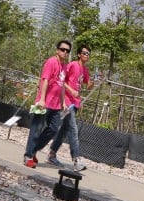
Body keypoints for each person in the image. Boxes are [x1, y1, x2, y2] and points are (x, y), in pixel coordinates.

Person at [22, 40, 71, 168]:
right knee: (36, 129)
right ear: (57, 50)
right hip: (44, 102)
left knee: (54, 129)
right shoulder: (51, 62)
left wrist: (63, 102)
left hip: (56, 105)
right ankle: (28, 156)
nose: (65, 52)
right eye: (62, 49)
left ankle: (33, 151)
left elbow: (61, 86)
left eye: (67, 51)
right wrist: (42, 99)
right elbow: (45, 80)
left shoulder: (65, 66)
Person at [46, 43, 92, 171]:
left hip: (76, 103)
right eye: (84, 53)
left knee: (63, 130)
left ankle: (51, 155)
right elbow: (61, 81)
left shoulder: (85, 70)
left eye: (88, 54)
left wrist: (95, 82)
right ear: (79, 54)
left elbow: (88, 86)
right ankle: (76, 160)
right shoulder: (72, 65)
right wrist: (71, 90)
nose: (86, 55)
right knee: (73, 129)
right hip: (67, 102)